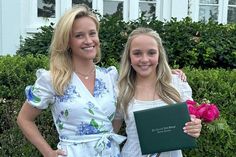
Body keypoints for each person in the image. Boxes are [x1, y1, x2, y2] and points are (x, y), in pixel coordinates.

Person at [17, 4, 187, 157]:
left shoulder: (110, 77)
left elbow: (138, 74)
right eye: (79, 35)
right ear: (67, 41)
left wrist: (164, 71)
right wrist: (48, 153)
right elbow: (24, 119)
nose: (89, 41)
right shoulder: (53, 79)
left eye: (92, 33)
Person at [113, 27, 202, 157]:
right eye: (137, 53)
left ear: (159, 55)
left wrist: (195, 128)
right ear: (129, 57)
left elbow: (192, 122)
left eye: (151, 53)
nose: (144, 59)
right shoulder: (121, 89)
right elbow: (111, 133)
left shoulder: (177, 83)